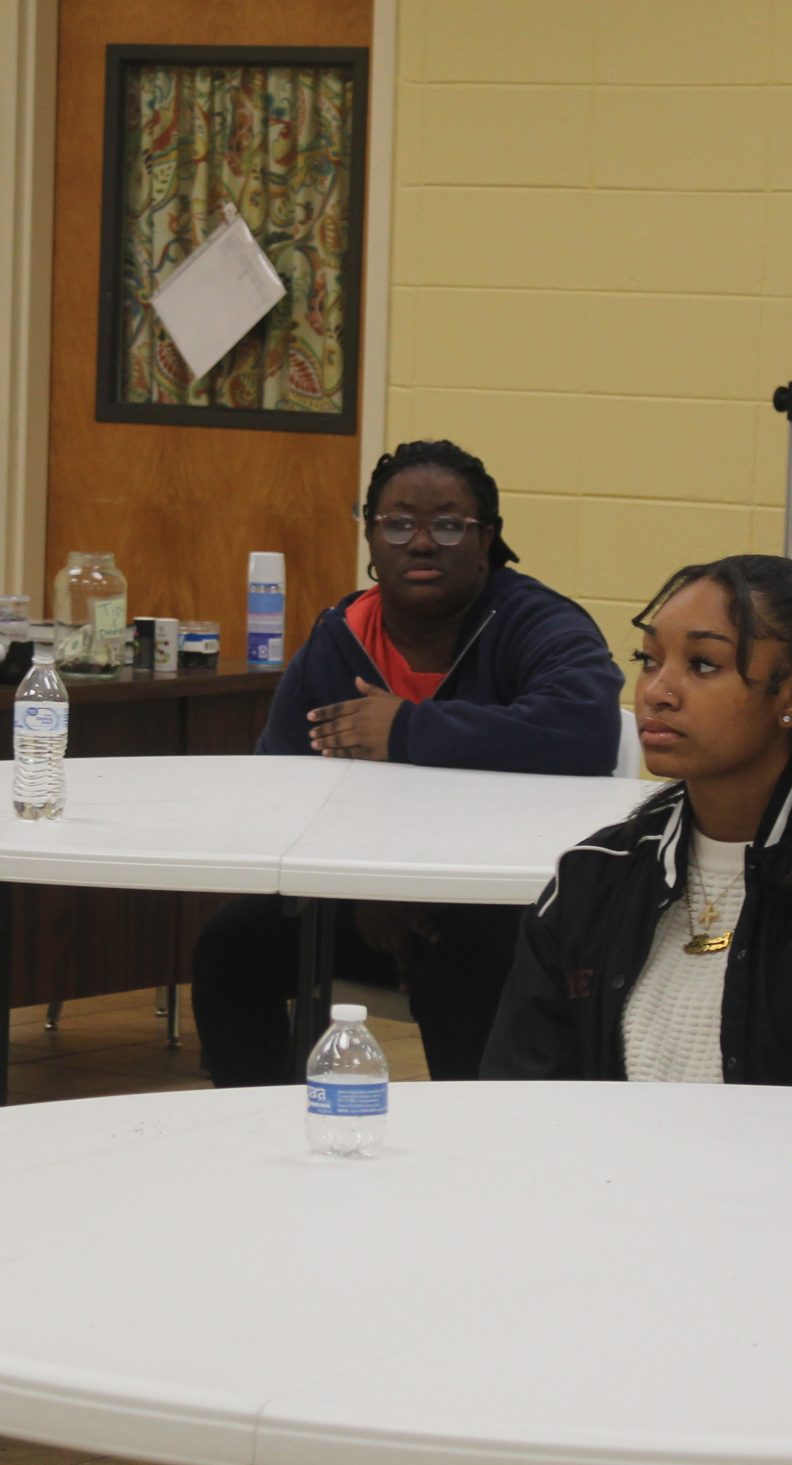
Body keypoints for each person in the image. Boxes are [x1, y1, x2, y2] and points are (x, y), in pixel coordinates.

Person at [312, 555, 792, 1465]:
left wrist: (643, 1237)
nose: (654, 691)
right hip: (597, 1252)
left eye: (701, 666)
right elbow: (516, 1105)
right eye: (649, 659)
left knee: (511, 1382)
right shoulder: (599, 870)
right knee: (332, 1369)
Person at [191, 439, 625, 1084]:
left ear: (487, 539)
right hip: (362, 900)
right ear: (370, 536)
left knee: (466, 966)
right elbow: (279, 780)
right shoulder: (340, 637)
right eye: (397, 525)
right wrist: (364, 887)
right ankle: (260, 1123)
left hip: (502, 906)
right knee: (232, 945)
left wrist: (407, 730)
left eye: (448, 526)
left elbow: (584, 729)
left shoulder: (536, 623)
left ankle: (477, 1138)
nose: (421, 544)